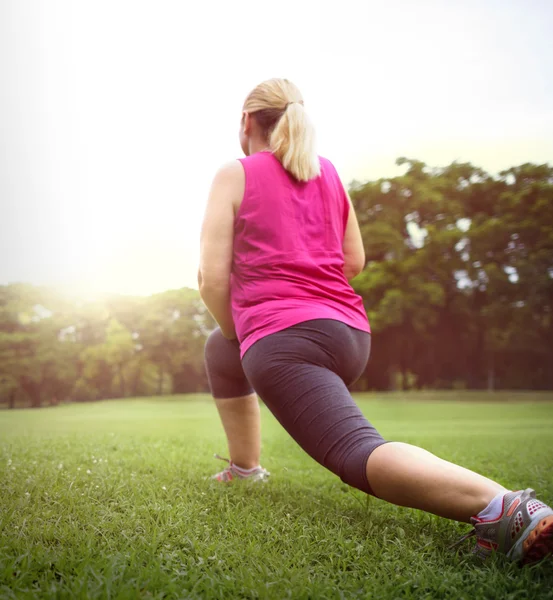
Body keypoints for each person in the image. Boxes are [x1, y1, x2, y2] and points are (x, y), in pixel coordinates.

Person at [198, 77, 553, 565]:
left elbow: (210, 280)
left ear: (245, 122)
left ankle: (504, 507)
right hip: (349, 334)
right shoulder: (327, 173)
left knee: (355, 451)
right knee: (221, 349)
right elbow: (354, 260)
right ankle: (245, 469)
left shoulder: (234, 173)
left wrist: (250, 326)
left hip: (285, 339)